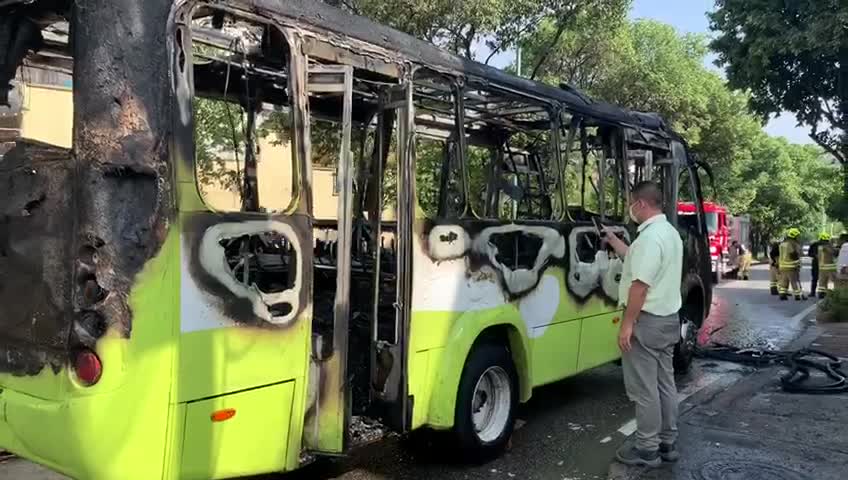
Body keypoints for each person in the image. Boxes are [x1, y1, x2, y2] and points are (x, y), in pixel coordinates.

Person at [603, 181, 683, 468]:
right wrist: (615, 242)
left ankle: (647, 449)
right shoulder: (668, 234)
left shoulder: (650, 239)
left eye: (631, 203)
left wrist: (627, 325)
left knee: (644, 390)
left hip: (646, 323)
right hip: (668, 321)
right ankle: (667, 443)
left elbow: (640, 286)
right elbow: (640, 262)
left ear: (641, 204)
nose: (630, 209)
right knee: (664, 384)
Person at [778, 228, 805, 301]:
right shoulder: (790, 244)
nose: (798, 237)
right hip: (791, 266)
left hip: (782, 266)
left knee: (784, 281)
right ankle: (797, 295)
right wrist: (798, 256)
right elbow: (792, 254)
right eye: (797, 236)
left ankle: (782, 294)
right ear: (794, 236)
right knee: (794, 281)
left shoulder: (782, 243)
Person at [817, 232, 837, 298]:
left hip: (821, 267)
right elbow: (834, 253)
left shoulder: (819, 247)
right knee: (835, 280)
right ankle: (837, 292)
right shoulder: (828, 246)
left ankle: (821, 293)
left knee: (822, 281)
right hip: (829, 267)